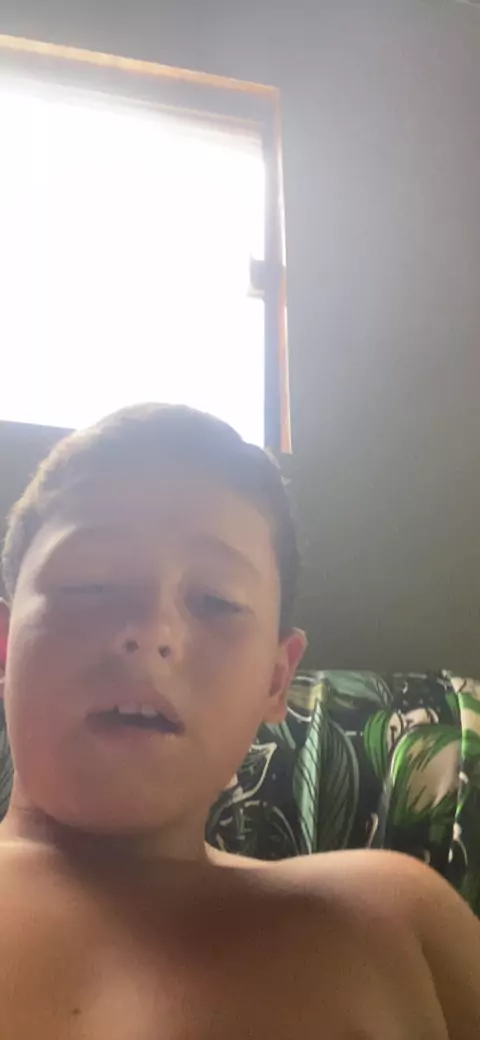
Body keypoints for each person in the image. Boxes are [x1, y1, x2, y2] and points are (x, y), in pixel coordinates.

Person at [0, 402, 478, 1040]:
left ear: (276, 681)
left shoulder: (398, 918)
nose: (153, 631)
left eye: (216, 601)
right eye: (91, 584)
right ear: (6, 644)